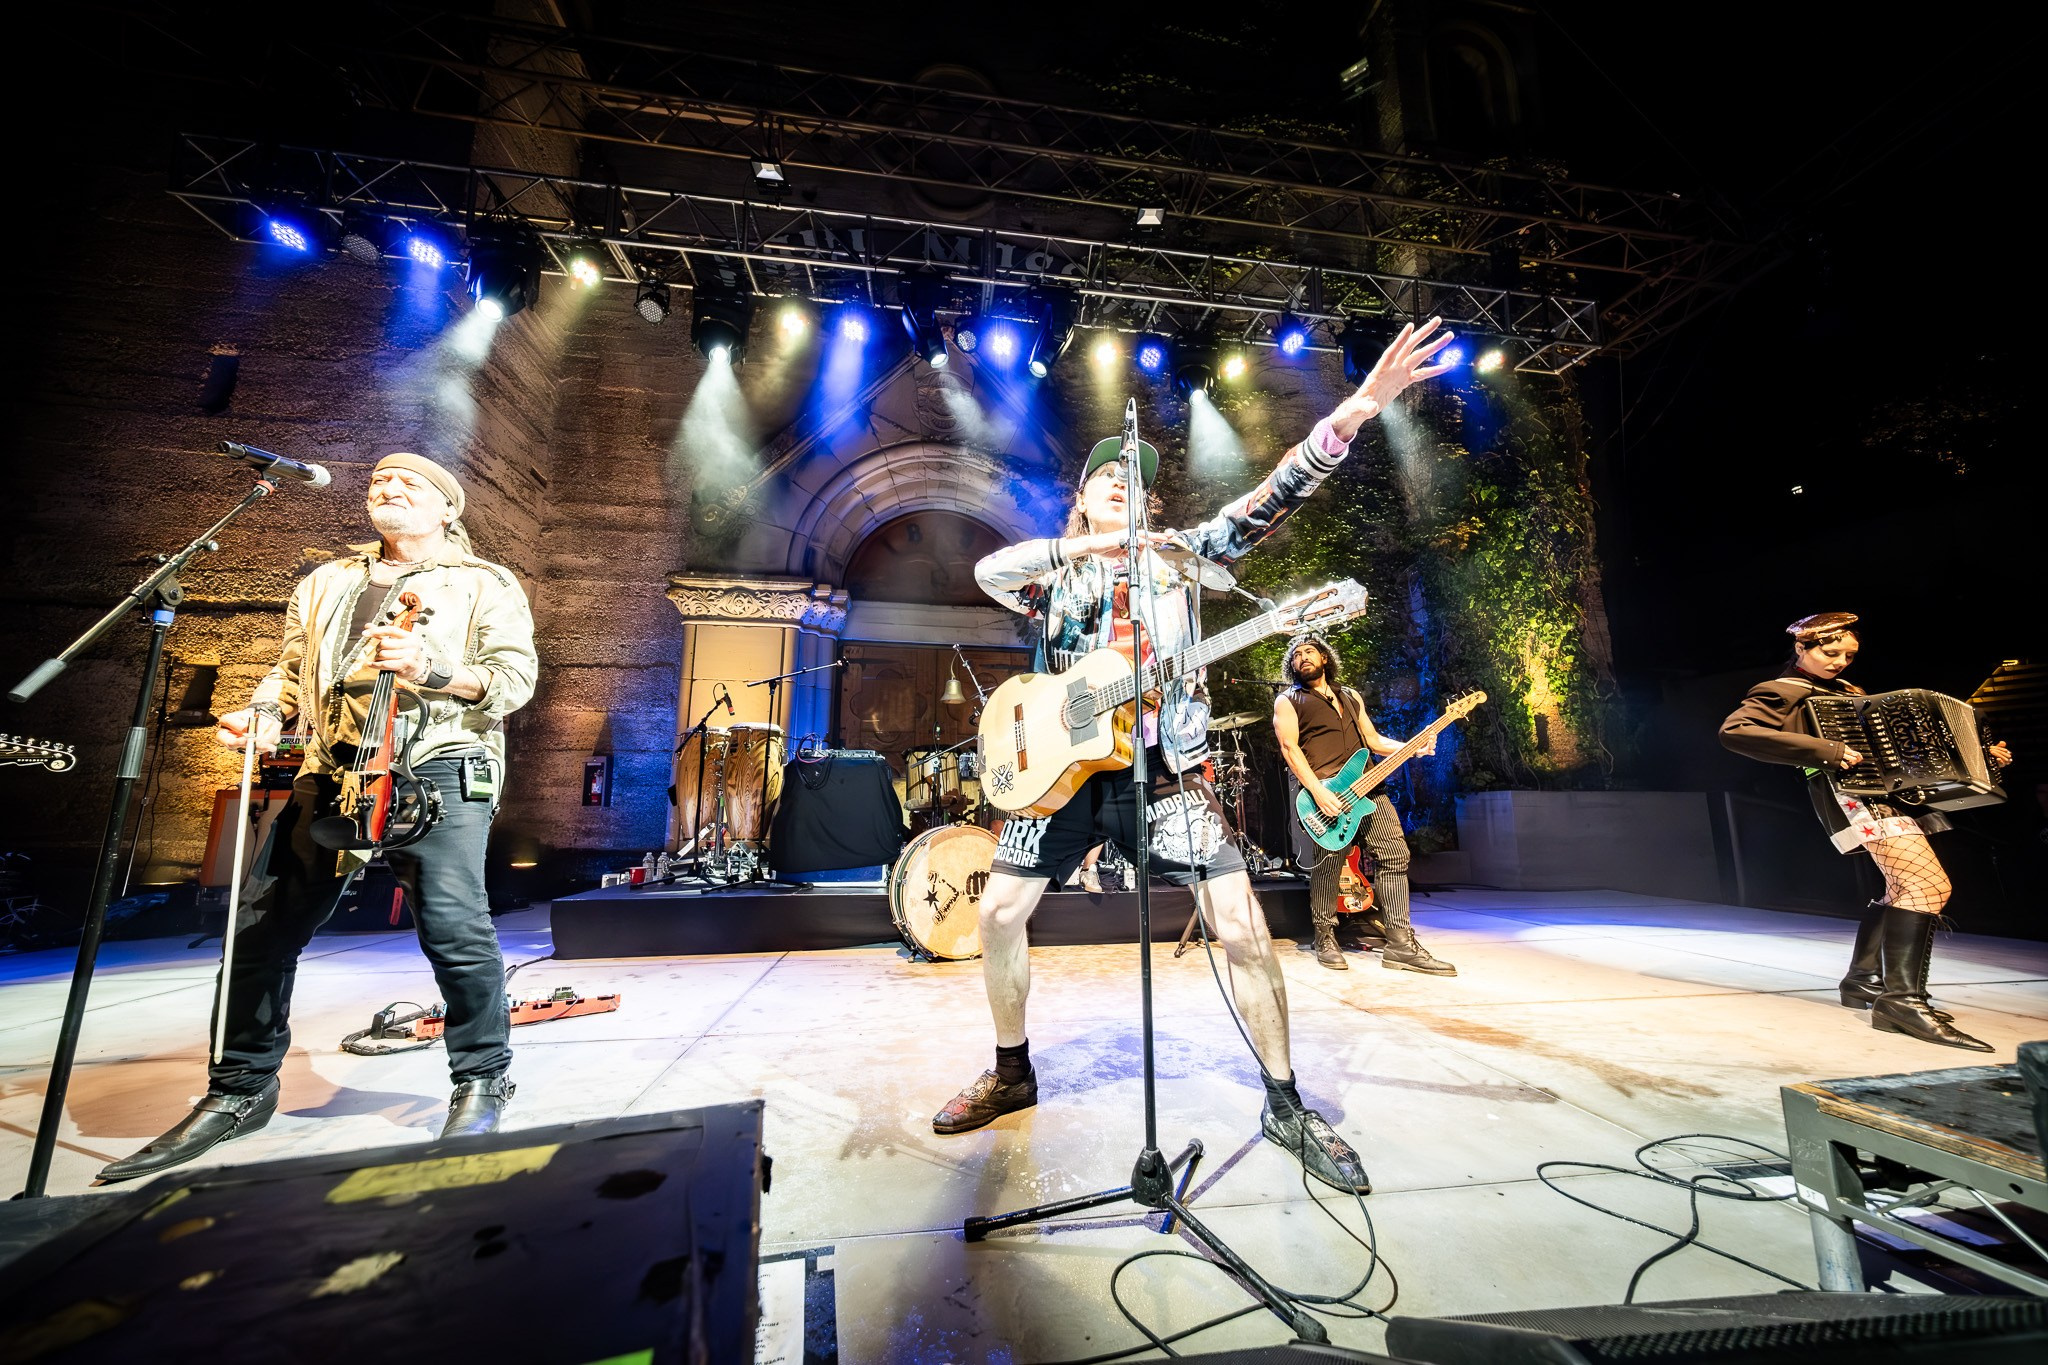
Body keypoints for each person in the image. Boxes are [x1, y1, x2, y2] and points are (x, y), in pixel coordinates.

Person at [935, 319, 1456, 1193]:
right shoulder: (1055, 573)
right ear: (1081, 500)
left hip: (1166, 775)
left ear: (1149, 505)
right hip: (1058, 781)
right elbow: (992, 570)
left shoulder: (1182, 561)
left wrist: (1356, 412)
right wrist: (1087, 548)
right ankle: (1012, 1068)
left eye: (1132, 480)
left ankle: (1284, 1101)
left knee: (1244, 927)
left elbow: (1269, 498)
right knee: (996, 916)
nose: (1120, 482)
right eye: (1104, 477)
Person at [99, 453, 539, 1181]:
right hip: (332, 768)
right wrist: (264, 715)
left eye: (410, 483)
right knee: (260, 928)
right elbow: (290, 670)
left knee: (454, 931)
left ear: (447, 509)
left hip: (439, 766)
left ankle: (483, 1079)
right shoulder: (327, 581)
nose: (388, 488)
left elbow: (513, 681)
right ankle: (240, 1088)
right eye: (379, 481)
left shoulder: (483, 583)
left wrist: (431, 669)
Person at [1720, 612, 2012, 1051]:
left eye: (1849, 655)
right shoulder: (1783, 690)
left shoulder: (1848, 693)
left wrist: (1984, 757)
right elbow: (1736, 731)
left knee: (1903, 887)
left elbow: (1901, 746)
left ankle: (1864, 980)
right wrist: (1827, 750)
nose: (1840, 661)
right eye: (1830, 652)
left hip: (1889, 796)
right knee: (1928, 887)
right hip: (1854, 798)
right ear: (1801, 648)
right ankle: (1903, 1001)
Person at [1272, 634, 1452, 976]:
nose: (1303, 657)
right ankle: (1325, 935)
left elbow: (1372, 740)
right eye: (1296, 655)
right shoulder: (1288, 701)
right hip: (1327, 793)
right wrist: (1318, 792)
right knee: (1329, 865)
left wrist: (1412, 748)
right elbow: (1290, 749)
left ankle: (1400, 944)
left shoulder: (1350, 696)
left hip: (1369, 788)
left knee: (1395, 856)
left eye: (1310, 651)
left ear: (1325, 658)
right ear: (1291, 665)